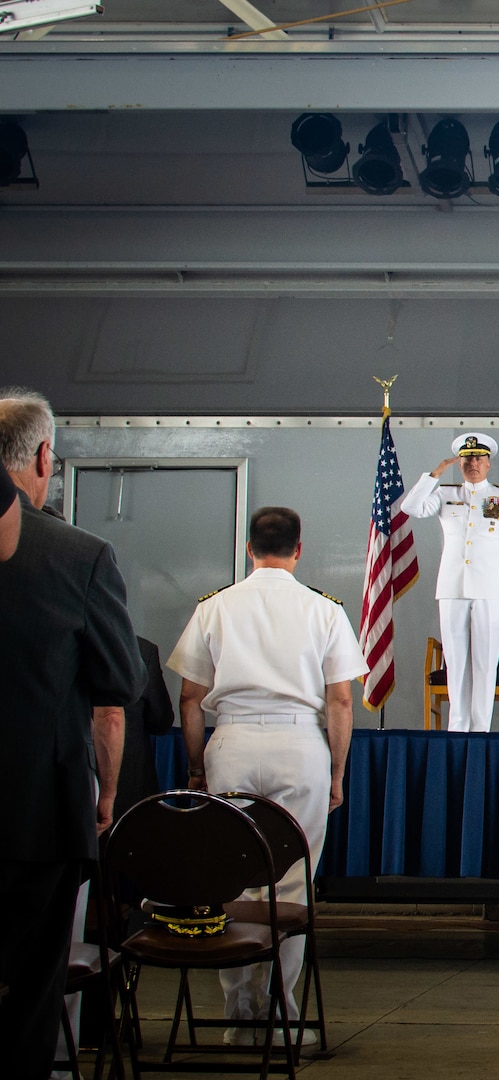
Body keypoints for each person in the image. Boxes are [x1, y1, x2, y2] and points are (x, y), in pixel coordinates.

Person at [170, 506, 368, 1043]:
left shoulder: (215, 607)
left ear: (250, 549)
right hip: (300, 744)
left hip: (230, 742)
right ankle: (280, 1015)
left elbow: (190, 699)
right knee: (291, 886)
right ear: (299, 550)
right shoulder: (324, 610)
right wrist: (337, 772)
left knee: (231, 879)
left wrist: (195, 766)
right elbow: (342, 701)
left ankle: (239, 1014)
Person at [0, 388, 142, 1080]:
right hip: (39, 818)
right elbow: (115, 694)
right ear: (44, 458)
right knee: (31, 992)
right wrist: (105, 795)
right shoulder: (79, 556)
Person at [400, 433, 499, 733]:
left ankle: (480, 728)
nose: (474, 464)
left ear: (488, 464)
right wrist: (434, 475)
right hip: (452, 588)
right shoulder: (444, 494)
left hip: (490, 590)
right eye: (468, 459)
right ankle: (458, 728)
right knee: (455, 661)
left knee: (485, 662)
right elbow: (411, 508)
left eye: (479, 459)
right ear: (460, 464)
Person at [110, 636, 177, 824]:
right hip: (130, 790)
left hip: (66, 783)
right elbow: (161, 722)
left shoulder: (52, 644)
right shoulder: (141, 650)